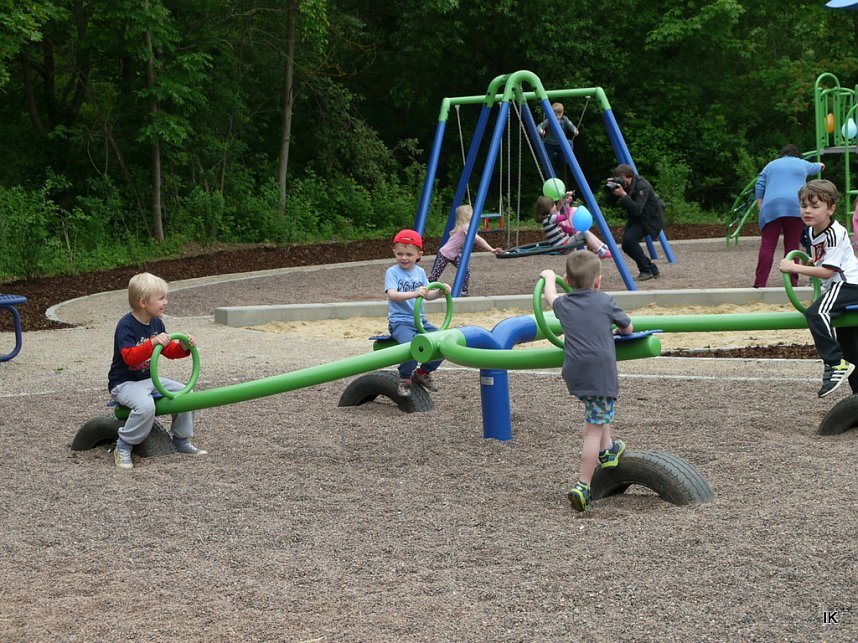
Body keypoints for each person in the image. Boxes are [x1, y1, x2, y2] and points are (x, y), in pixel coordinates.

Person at [540, 252, 633, 512]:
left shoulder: (564, 304)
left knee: (595, 414)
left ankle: (609, 450)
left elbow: (550, 297)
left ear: (568, 280)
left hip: (576, 372)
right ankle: (583, 484)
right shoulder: (605, 301)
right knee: (592, 428)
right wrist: (619, 331)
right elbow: (628, 327)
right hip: (599, 374)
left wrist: (548, 277)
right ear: (598, 281)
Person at [108, 272, 205, 469]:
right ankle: (124, 445)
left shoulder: (156, 323)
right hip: (124, 383)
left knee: (187, 394)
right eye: (161, 298)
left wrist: (184, 347)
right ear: (143, 302)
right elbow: (129, 357)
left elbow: (168, 350)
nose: (165, 302)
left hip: (148, 379)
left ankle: (181, 439)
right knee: (146, 407)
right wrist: (152, 343)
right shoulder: (126, 325)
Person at [778, 179, 858, 398]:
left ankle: (834, 363)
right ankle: (856, 399)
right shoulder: (812, 230)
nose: (808, 211)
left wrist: (794, 267)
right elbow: (822, 258)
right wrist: (811, 261)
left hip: (848, 284)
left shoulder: (834, 232)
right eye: (804, 206)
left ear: (831, 209)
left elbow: (828, 272)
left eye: (815, 206)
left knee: (816, 312)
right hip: (839, 284)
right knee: (850, 347)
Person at [386, 229, 452, 397]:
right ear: (394, 252)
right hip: (400, 322)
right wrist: (415, 293)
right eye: (399, 253)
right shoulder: (392, 272)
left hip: (420, 321)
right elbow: (393, 295)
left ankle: (422, 373)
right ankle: (405, 378)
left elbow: (427, 295)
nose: (404, 258)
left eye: (408, 254)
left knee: (441, 343)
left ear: (418, 254)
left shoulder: (420, 272)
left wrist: (440, 292)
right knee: (410, 347)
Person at [754, 144, 825, 288]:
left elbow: (759, 184)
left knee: (767, 246)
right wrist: (821, 165)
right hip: (795, 207)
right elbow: (817, 166)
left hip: (771, 207)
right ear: (796, 155)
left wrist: (761, 206)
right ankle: (792, 283)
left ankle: (759, 284)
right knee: (792, 246)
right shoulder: (802, 163)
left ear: (782, 155)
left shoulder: (770, 165)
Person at [605, 163, 665, 281]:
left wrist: (623, 194)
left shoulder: (643, 186)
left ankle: (646, 270)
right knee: (626, 246)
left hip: (650, 219)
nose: (621, 181)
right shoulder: (624, 184)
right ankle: (651, 268)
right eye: (619, 178)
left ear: (629, 177)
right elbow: (609, 203)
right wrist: (611, 189)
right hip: (637, 218)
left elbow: (637, 209)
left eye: (622, 179)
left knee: (630, 241)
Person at [428, 204, 503, 296]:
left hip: (453, 254)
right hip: (445, 253)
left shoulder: (465, 226)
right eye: (472, 212)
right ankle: (422, 287)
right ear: (466, 214)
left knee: (465, 270)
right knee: (434, 277)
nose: (474, 214)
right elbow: (478, 240)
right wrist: (491, 249)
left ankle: (464, 291)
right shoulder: (466, 226)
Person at [535, 195, 612, 259]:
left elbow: (564, 228)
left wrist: (573, 230)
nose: (555, 207)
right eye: (553, 205)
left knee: (584, 232)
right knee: (585, 233)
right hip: (562, 246)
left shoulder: (548, 219)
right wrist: (567, 205)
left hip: (563, 245)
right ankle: (601, 251)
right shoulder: (550, 218)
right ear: (548, 208)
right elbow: (566, 216)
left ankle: (603, 247)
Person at [537, 102, 579, 166]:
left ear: (563, 112)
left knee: (564, 161)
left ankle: (568, 144)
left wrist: (575, 130)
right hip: (549, 143)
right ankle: (554, 154)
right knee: (547, 162)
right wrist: (541, 131)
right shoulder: (549, 120)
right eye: (556, 115)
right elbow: (539, 126)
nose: (558, 116)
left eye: (560, 114)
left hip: (560, 143)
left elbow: (571, 126)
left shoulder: (565, 119)